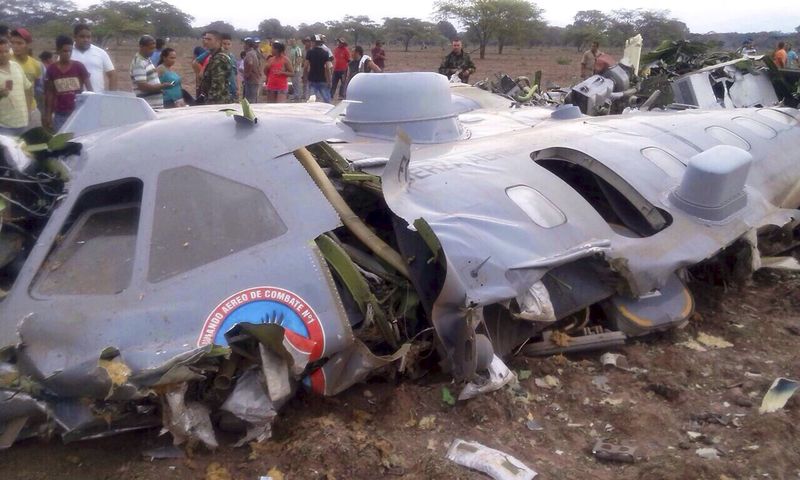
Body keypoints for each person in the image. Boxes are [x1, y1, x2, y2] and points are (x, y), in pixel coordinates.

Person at [44, 35, 91, 132]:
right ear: (58, 51)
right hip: (60, 114)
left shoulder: (79, 67)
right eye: (65, 51)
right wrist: (48, 114)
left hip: (77, 113)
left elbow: (90, 91)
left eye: (70, 51)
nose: (68, 54)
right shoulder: (51, 69)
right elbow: (50, 93)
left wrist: (91, 109)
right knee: (61, 143)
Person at [9, 28, 43, 127]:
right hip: (11, 113)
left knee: (35, 141)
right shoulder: (6, 62)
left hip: (31, 110)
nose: (15, 46)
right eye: (13, 43)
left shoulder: (36, 65)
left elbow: (37, 88)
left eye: (19, 43)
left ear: (28, 44)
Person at [0, 37, 32, 136]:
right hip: (4, 126)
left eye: (6, 51)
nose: (4, 54)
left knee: (22, 151)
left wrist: (29, 110)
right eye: (0, 52)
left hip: (23, 123)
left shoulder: (16, 66)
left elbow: (28, 88)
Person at [71, 24, 117, 92]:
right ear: (75, 37)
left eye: (88, 37)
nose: (86, 40)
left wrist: (111, 95)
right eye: (82, 37)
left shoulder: (100, 52)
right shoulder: (67, 52)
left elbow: (112, 75)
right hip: (73, 98)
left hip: (97, 98)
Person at [130, 35, 165, 109]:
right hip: (148, 107)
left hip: (154, 106)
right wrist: (161, 86)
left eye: (154, 48)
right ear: (141, 46)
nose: (152, 51)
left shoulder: (147, 59)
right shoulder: (139, 63)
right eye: (150, 48)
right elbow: (142, 86)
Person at [198, 30, 233, 104]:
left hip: (217, 103)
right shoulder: (213, 56)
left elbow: (217, 89)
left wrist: (209, 106)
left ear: (218, 42)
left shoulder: (219, 59)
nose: (205, 41)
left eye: (209, 39)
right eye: (205, 39)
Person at [304, 35, 332, 103]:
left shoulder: (310, 52)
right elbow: (328, 68)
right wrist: (329, 80)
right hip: (322, 79)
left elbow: (306, 66)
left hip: (312, 79)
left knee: (311, 100)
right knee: (326, 100)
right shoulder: (325, 53)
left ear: (313, 42)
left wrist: (305, 77)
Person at [242, 38, 263, 103]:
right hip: (255, 79)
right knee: (254, 99)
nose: (243, 46)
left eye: (244, 44)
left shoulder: (249, 54)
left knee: (250, 100)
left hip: (251, 80)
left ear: (247, 45)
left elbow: (250, 63)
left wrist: (247, 74)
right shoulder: (254, 53)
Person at [220, 32, 238, 100]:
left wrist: (237, 88)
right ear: (220, 44)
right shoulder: (217, 57)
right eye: (224, 44)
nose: (226, 46)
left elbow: (236, 73)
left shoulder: (232, 57)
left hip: (233, 90)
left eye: (228, 44)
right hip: (222, 92)